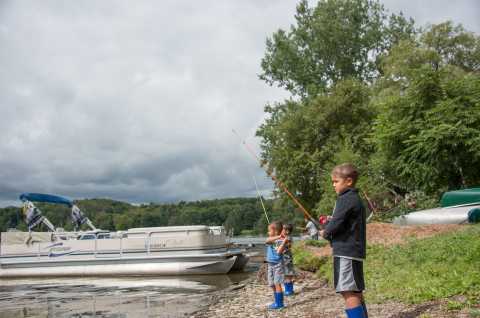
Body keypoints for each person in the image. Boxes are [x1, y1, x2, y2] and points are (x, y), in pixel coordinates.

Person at [320, 163, 368, 318]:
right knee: (354, 290)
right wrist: (331, 224)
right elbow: (342, 221)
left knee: (348, 291)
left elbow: (336, 223)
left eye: (336, 181)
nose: (333, 184)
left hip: (346, 252)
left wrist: (326, 232)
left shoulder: (345, 198)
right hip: (353, 251)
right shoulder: (354, 198)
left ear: (348, 181)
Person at [265, 220, 288, 310]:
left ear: (275, 231)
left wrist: (283, 241)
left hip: (278, 265)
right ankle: (276, 301)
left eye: (269, 230)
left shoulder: (281, 241)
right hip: (270, 264)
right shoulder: (271, 239)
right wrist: (278, 236)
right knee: (271, 284)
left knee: (277, 283)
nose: (268, 232)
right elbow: (267, 241)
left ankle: (280, 303)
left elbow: (279, 252)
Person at [281, 223, 296, 296]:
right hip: (286, 259)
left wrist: (282, 242)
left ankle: (288, 291)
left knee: (287, 275)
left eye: (282, 229)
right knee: (287, 274)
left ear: (287, 231)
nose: (281, 230)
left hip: (286, 259)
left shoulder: (288, 238)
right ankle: (289, 290)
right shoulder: (286, 237)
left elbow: (287, 246)